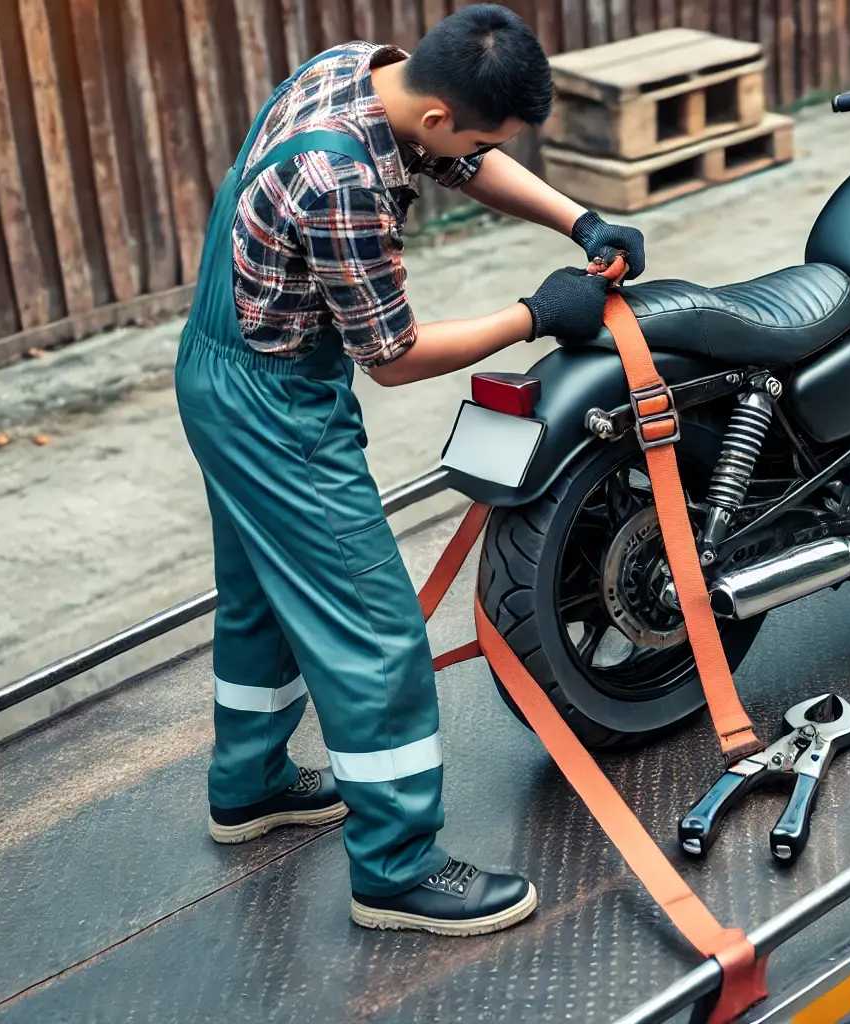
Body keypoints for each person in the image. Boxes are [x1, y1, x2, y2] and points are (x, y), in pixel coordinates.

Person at [174, 4, 645, 937]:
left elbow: (463, 160)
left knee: (261, 595)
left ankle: (251, 785)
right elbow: (392, 355)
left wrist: (578, 219)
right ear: (436, 112)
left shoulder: (361, 67)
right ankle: (394, 870)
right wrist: (539, 313)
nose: (477, 154)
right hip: (274, 403)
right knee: (376, 630)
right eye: (477, 135)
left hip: (221, 365)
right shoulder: (340, 178)